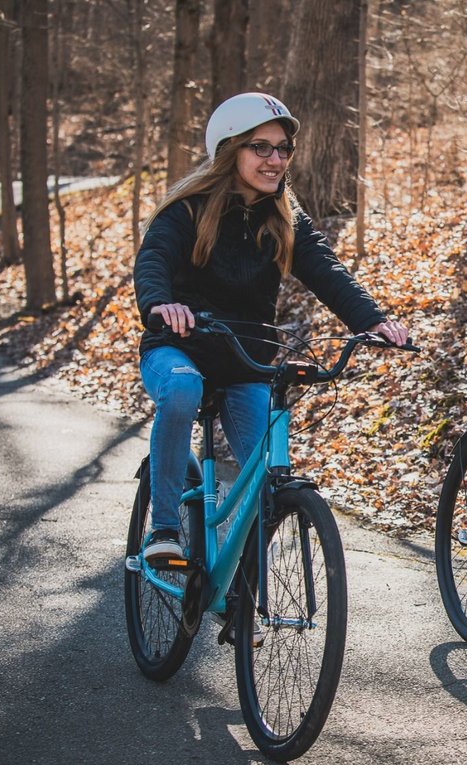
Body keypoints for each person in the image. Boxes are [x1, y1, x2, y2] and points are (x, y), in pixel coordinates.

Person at [134, 92, 408, 582]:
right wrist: (160, 305)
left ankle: (238, 594)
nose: (275, 159)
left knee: (266, 475)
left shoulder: (284, 217)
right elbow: (153, 259)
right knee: (181, 388)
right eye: (260, 147)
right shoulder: (186, 211)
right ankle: (165, 529)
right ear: (229, 150)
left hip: (245, 361)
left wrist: (372, 321)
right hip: (178, 346)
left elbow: (327, 271)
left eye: (283, 149)